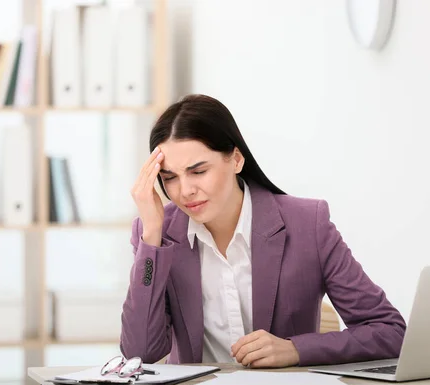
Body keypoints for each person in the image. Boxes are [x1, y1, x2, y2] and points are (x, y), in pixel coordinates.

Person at [120, 94, 406, 368]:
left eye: (198, 171)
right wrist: (152, 238)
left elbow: (390, 331)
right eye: (170, 178)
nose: (185, 191)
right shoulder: (158, 234)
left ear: (236, 160)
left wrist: (296, 349)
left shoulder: (308, 224)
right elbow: (140, 352)